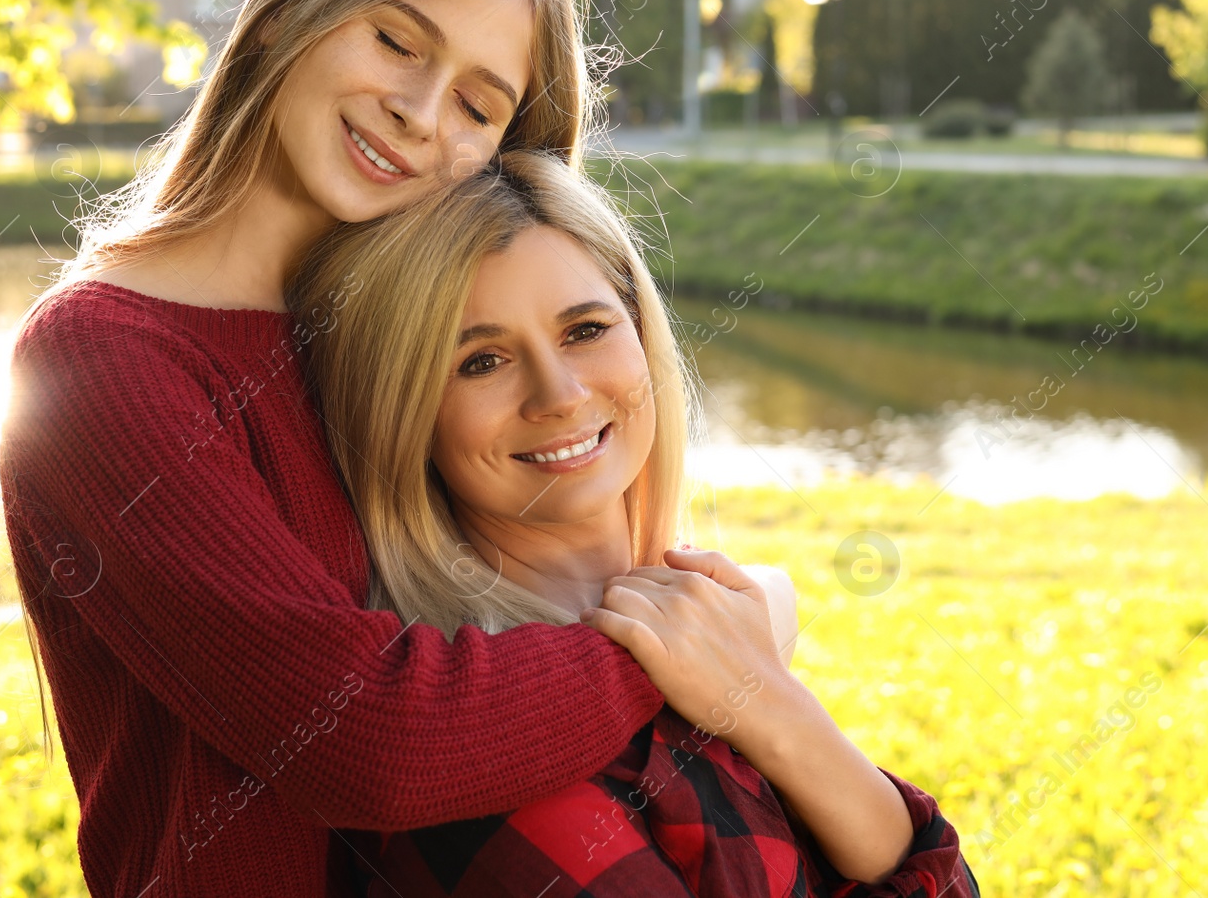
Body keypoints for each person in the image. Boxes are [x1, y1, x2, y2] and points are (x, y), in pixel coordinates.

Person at [0, 0, 687, 898]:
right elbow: (362, 739)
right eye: (395, 40)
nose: (418, 111)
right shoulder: (102, 363)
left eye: (476, 102)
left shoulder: (397, 340)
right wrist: (680, 645)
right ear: (282, 12)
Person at [289, 149, 980, 897]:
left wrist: (777, 708)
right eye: (482, 362)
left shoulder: (714, 633)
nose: (559, 393)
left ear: (642, 332)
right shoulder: (487, 765)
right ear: (406, 417)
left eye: (585, 329)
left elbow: (938, 877)